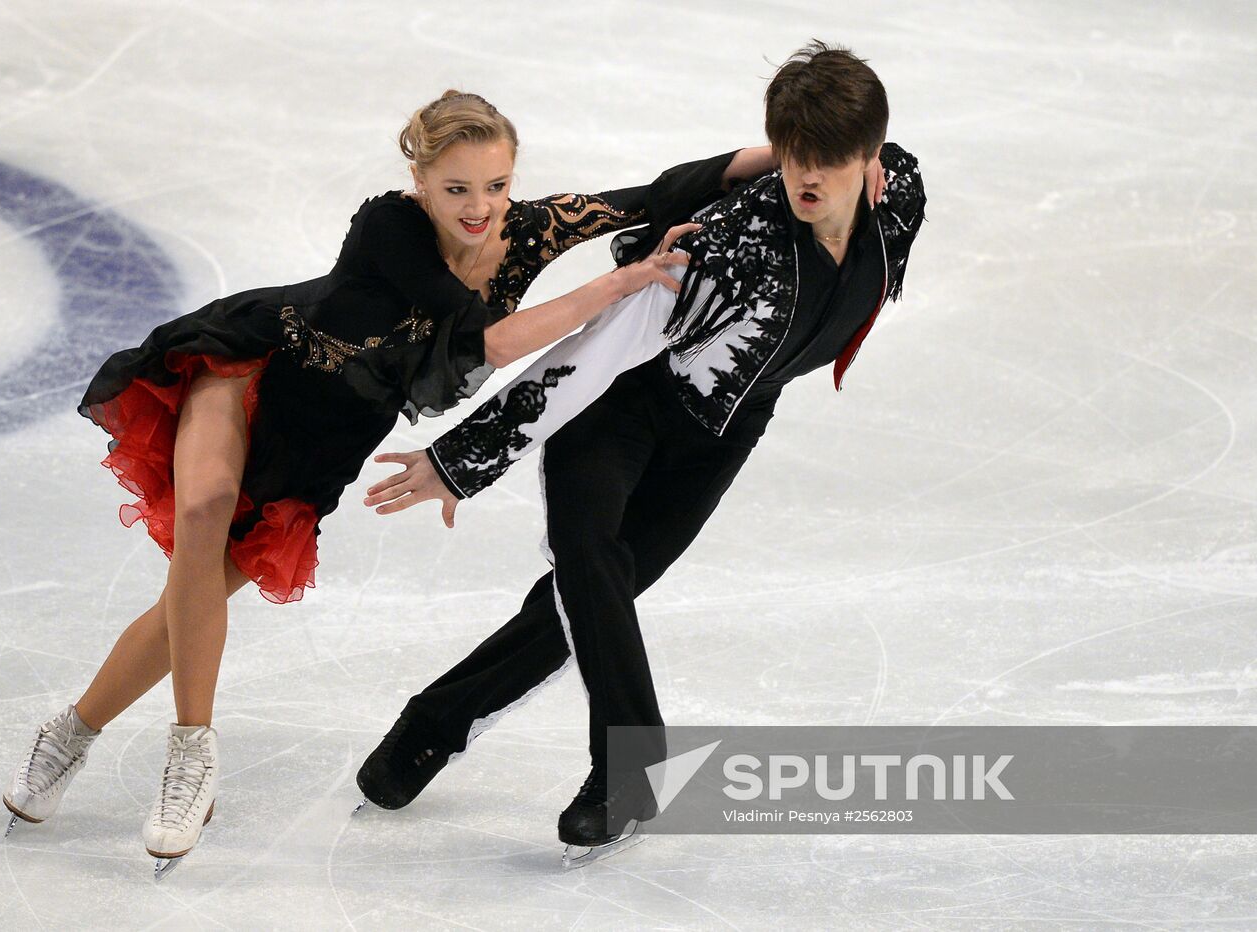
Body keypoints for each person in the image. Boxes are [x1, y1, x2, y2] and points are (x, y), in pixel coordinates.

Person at [0, 89, 775, 877]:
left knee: (190, 601)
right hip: (255, 369)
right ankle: (191, 758)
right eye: (457, 188)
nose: (479, 208)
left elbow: (659, 190)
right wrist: (617, 285)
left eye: (497, 186)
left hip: (320, 453)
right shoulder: (390, 226)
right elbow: (484, 340)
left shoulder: (531, 230)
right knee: (202, 510)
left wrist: (803, 153)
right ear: (420, 179)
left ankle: (73, 730)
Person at [355, 41, 926, 866]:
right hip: (618, 406)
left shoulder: (896, 189)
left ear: (869, 157)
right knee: (590, 564)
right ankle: (630, 770)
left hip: (724, 426)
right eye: (797, 157)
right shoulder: (731, 244)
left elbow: (881, 185)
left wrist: (864, 167)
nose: (809, 180)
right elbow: (598, 351)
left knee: (594, 599)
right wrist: (462, 459)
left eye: (833, 162)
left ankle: (433, 724)